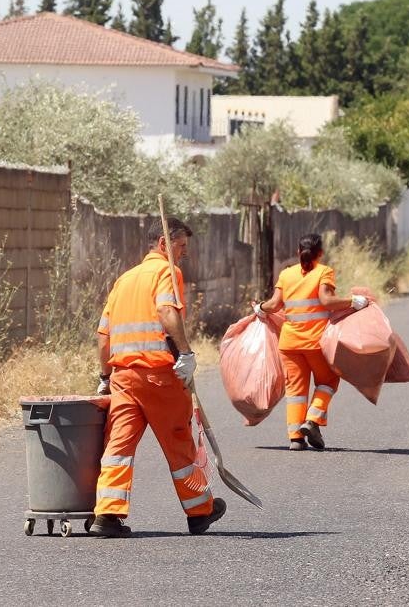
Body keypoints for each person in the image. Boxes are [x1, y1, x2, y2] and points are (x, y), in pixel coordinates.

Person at [89, 217, 226, 538]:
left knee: (118, 446)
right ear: (164, 244)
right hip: (159, 376)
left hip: (123, 378)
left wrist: (104, 375)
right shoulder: (167, 272)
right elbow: (167, 312)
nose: (183, 255)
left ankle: (107, 515)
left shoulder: (124, 280)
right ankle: (199, 511)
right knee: (179, 442)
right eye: (180, 247)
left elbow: (103, 335)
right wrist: (187, 354)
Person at [254, 233, 369, 451]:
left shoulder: (287, 274)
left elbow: (275, 304)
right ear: (321, 253)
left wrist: (259, 308)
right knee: (329, 380)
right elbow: (327, 301)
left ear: (298, 252)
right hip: (315, 343)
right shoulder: (323, 271)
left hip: (289, 344)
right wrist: (353, 302)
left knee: (296, 390)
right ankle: (313, 419)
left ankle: (295, 438)